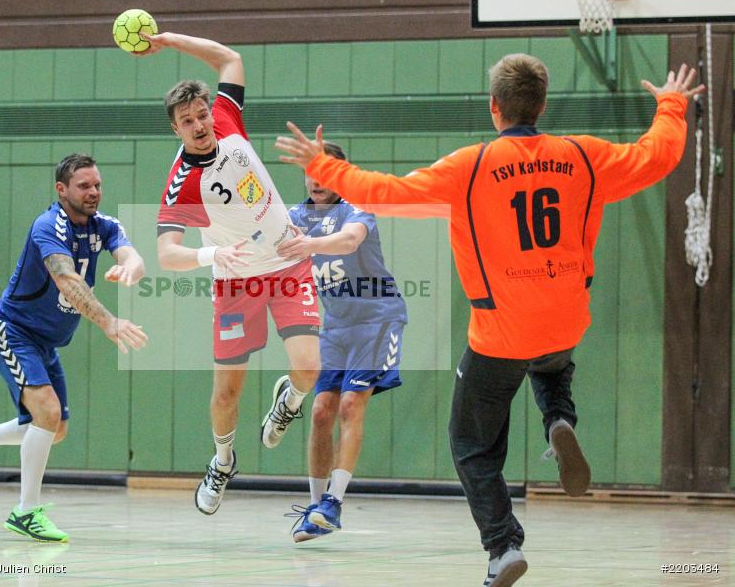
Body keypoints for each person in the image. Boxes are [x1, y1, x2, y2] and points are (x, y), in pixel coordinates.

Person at [276, 57, 703, 585]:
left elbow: (387, 192)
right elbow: (657, 156)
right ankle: (558, 419)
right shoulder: (584, 156)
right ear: (542, 105)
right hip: (565, 317)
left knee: (471, 443)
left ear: (494, 107)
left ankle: (503, 547)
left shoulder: (470, 167)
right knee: (551, 361)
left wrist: (324, 166)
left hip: (501, 330)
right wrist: (671, 104)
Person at [137, 31, 321, 515]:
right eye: (187, 121)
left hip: (288, 261)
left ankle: (289, 401)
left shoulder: (226, 117)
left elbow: (229, 57)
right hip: (236, 281)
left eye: (201, 114)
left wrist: (166, 40)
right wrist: (211, 255)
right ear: (175, 130)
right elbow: (166, 254)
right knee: (226, 393)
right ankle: (222, 462)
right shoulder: (183, 183)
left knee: (309, 367)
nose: (199, 124)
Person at [0, 153, 148, 543]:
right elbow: (67, 281)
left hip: (45, 343)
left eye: (97, 185)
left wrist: (131, 268)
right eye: (84, 186)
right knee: (48, 413)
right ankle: (26, 512)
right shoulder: (48, 226)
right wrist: (109, 321)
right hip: (13, 333)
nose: (94, 192)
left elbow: (133, 255)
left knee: (55, 429)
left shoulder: (104, 225)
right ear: (61, 190)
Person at [277, 142, 407, 542]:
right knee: (320, 412)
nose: (315, 181)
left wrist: (308, 245)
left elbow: (349, 241)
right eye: (310, 172)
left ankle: (334, 502)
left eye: (324, 172)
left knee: (351, 403)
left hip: (377, 318)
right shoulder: (295, 216)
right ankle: (316, 509)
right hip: (335, 325)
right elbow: (264, 242)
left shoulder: (356, 207)